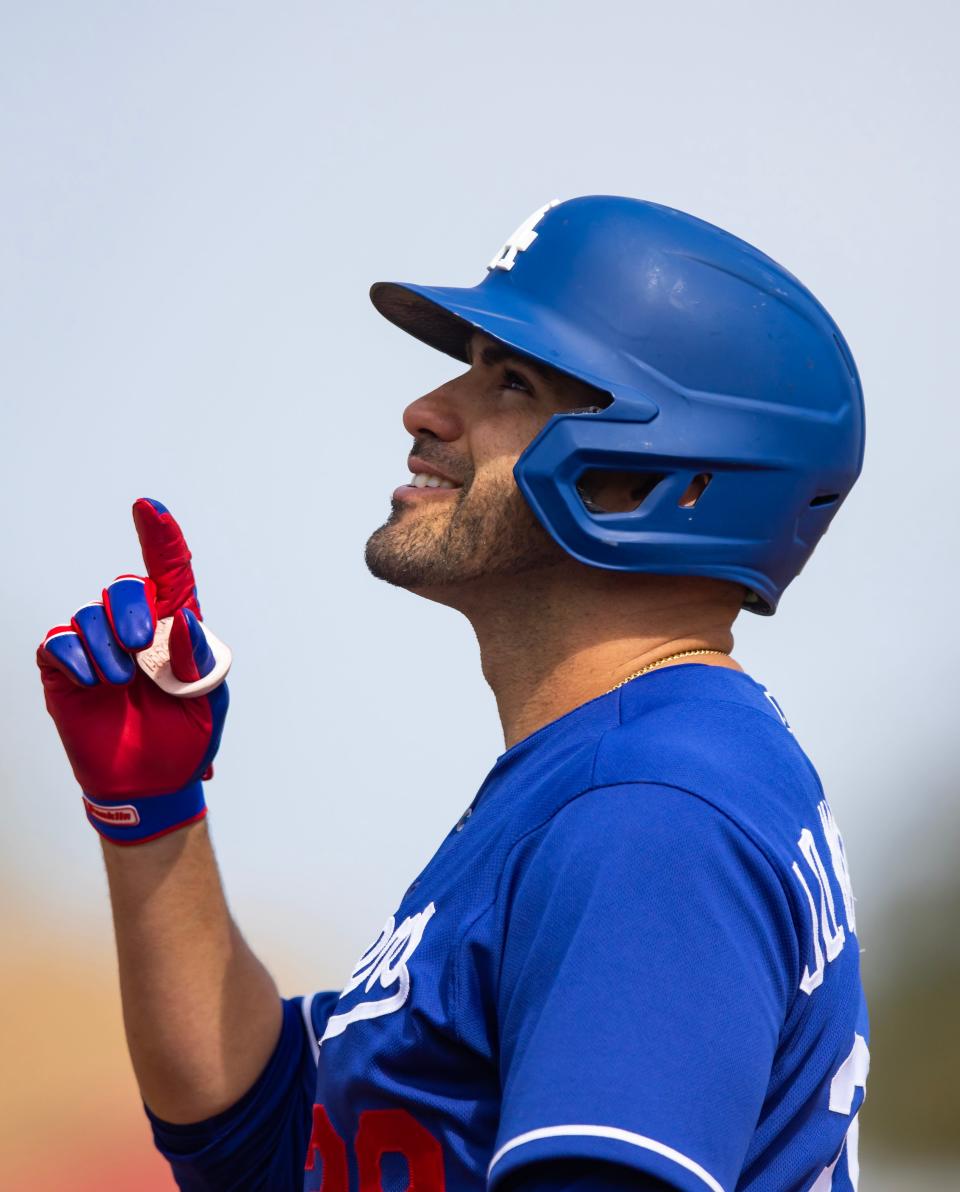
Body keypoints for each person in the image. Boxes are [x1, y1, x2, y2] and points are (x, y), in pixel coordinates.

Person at [37, 196, 869, 1192]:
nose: (427, 411)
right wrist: (153, 817)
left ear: (676, 480)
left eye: (509, 380)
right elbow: (270, 1149)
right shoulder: (616, 769)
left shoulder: (646, 814)